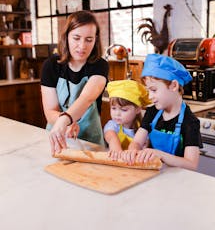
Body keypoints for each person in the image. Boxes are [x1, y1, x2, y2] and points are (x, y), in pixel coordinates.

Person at [41, 10, 109, 155]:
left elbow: (87, 97)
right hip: (58, 137)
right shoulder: (51, 65)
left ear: (95, 40)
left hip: (91, 142)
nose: (82, 46)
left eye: (89, 40)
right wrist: (65, 124)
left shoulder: (100, 65)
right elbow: (50, 111)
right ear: (66, 37)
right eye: (76, 38)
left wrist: (65, 119)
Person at [119, 54, 202, 170]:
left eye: (153, 90)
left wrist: (160, 155)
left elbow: (192, 164)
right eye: (149, 91)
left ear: (174, 86)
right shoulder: (152, 112)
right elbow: (137, 142)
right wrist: (132, 151)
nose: (150, 96)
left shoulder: (190, 122)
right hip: (153, 173)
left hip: (179, 180)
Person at [104, 79, 151, 155]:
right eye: (113, 108)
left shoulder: (143, 129)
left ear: (138, 109)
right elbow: (112, 138)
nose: (117, 114)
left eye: (124, 110)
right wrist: (117, 152)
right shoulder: (112, 125)